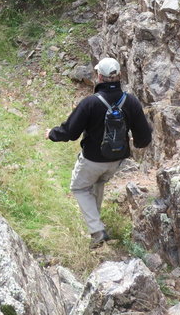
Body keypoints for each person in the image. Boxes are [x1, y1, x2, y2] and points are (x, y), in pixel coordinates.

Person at [45, 57, 152, 248]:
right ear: (119, 76)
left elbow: (70, 132)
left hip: (93, 159)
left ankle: (96, 231)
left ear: (99, 77)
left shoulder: (90, 103)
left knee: (79, 187)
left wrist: (51, 134)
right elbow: (144, 138)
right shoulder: (131, 101)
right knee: (98, 182)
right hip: (116, 160)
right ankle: (97, 223)